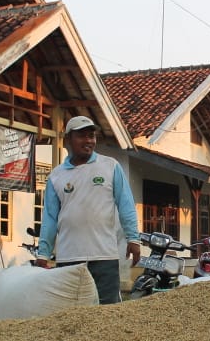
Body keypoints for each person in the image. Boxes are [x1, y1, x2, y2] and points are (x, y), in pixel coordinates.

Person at [35, 116, 141, 304]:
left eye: (91, 136)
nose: (89, 141)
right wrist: (44, 252)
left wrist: (133, 238)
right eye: (82, 136)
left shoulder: (110, 166)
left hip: (104, 257)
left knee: (107, 312)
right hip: (68, 259)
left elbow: (126, 205)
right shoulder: (56, 176)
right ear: (69, 139)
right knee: (70, 313)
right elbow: (50, 218)